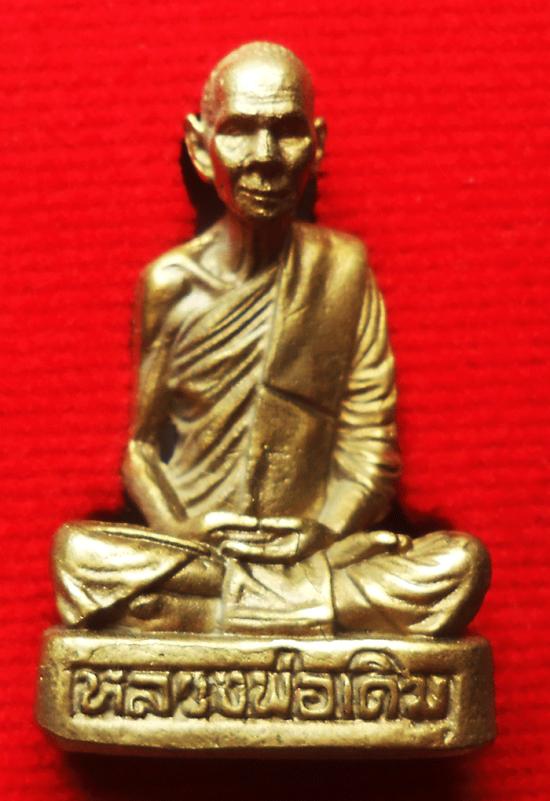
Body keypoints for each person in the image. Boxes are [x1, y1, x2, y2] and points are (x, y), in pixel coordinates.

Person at [54, 42, 490, 637]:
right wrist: (181, 530)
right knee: (79, 554)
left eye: (286, 132)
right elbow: (142, 449)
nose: (265, 158)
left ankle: (204, 617)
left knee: (459, 564)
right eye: (239, 131)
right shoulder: (171, 285)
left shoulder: (343, 270)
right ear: (199, 147)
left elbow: (370, 445)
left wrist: (325, 530)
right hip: (202, 550)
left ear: (317, 143)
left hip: (313, 550)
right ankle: (295, 612)